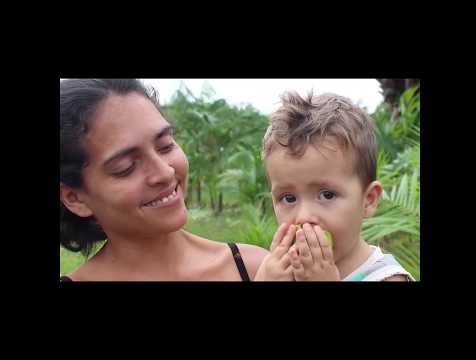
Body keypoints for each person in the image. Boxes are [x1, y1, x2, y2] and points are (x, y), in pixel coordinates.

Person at [59, 79, 270, 281]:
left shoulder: (258, 270)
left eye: (166, 145)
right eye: (126, 167)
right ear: (74, 198)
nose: (165, 173)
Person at [255, 91, 415, 281]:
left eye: (327, 195)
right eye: (288, 198)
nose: (304, 217)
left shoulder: (387, 277)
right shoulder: (278, 271)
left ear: (368, 200)